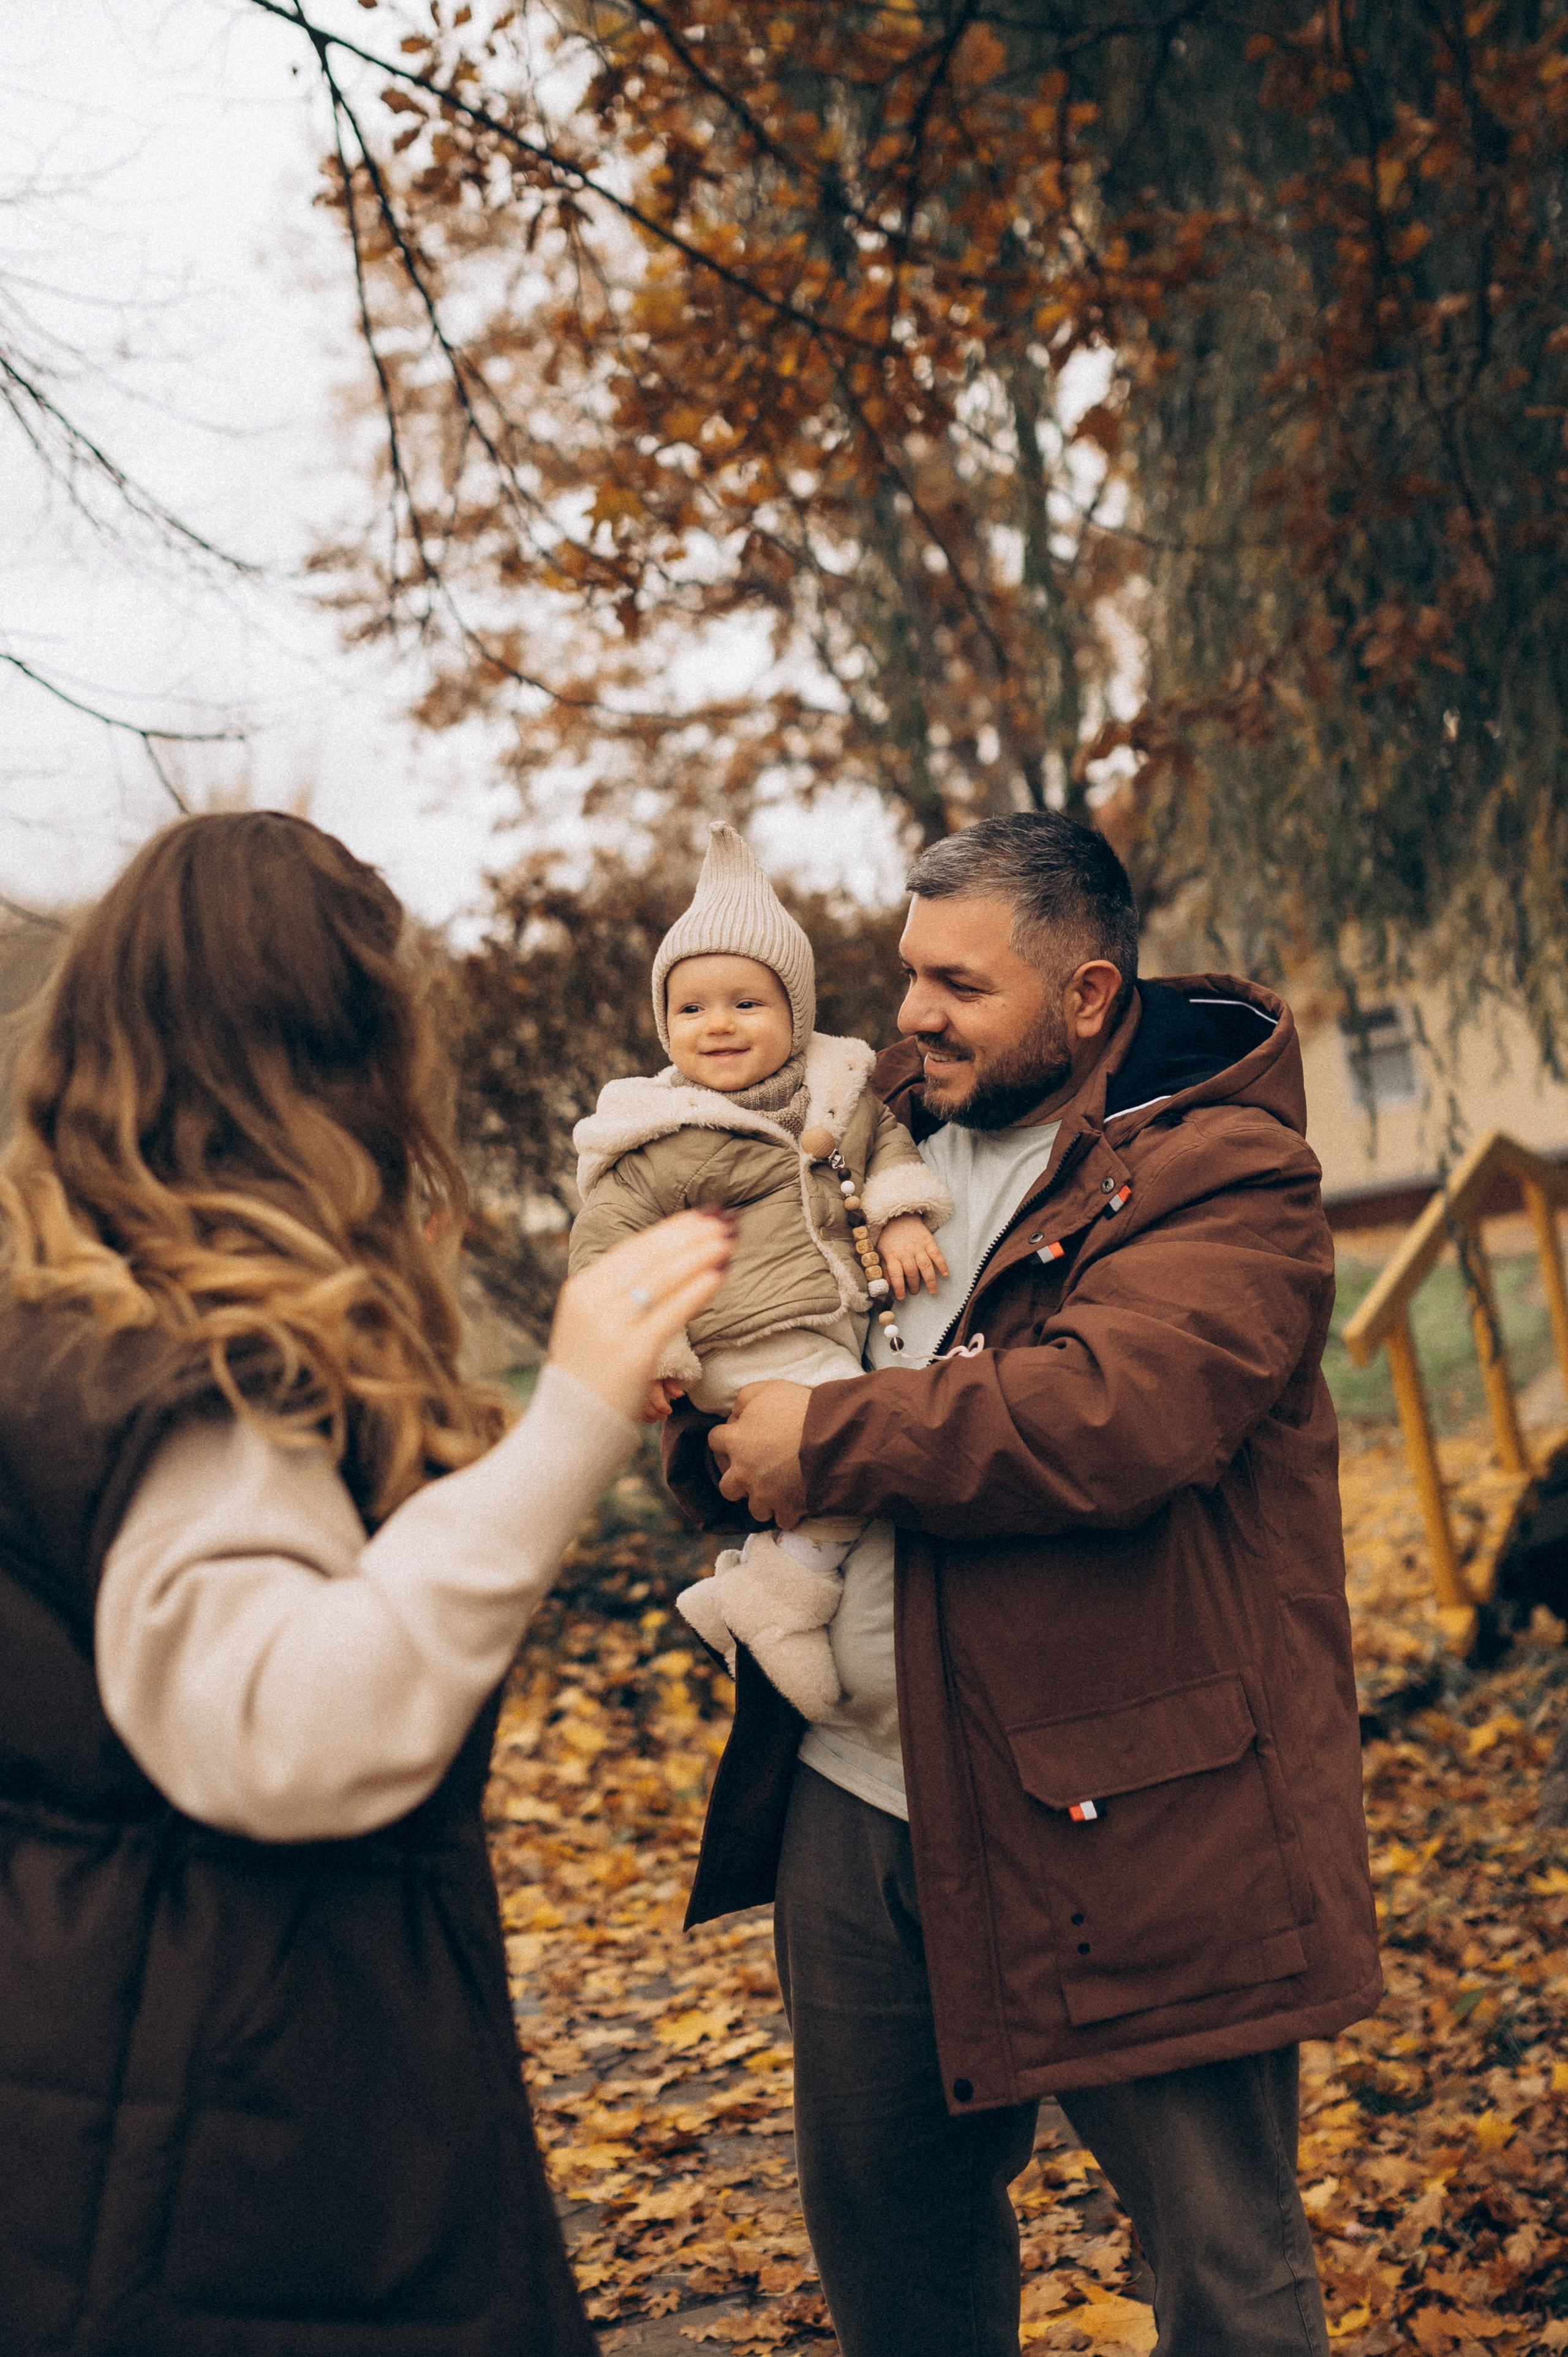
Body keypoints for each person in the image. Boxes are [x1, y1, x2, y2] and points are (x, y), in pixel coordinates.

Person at [0, 810, 734, 2357]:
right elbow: (288, 1727)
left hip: (140, 2086)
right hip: (237, 2153)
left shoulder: (71, 1330)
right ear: (325, 1056)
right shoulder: (180, 1382)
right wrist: (570, 1421)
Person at [666, 812, 1382, 2357]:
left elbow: (1113, 1412)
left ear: (1085, 994)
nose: (910, 1013)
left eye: (958, 984)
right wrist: (711, 1421)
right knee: (894, 2249)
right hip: (856, 1789)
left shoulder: (1224, 1171)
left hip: (1133, 1806)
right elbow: (761, 1367)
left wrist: (823, 1435)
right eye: (906, 970)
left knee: (1221, 2265)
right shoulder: (859, 1142)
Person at [569, 821, 951, 1720]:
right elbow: (609, 1244)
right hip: (743, 1336)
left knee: (848, 1446)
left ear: (795, 1015)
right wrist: (648, 1351)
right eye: (692, 1010)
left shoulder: (839, 1092)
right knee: (850, 1449)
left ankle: (740, 1586)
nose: (719, 1025)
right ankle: (779, 1602)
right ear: (665, 1027)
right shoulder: (661, 1136)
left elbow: (885, 1145)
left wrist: (899, 1214)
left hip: (824, 1323)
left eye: (746, 1003)